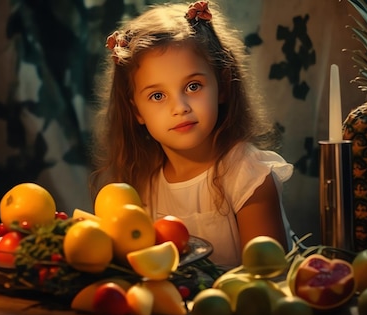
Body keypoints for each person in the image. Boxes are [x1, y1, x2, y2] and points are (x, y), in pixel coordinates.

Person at [89, 1, 293, 267]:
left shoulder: (248, 176)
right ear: (136, 111)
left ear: (222, 87)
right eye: (158, 95)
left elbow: (267, 277)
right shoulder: (143, 184)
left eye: (193, 86)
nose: (180, 108)